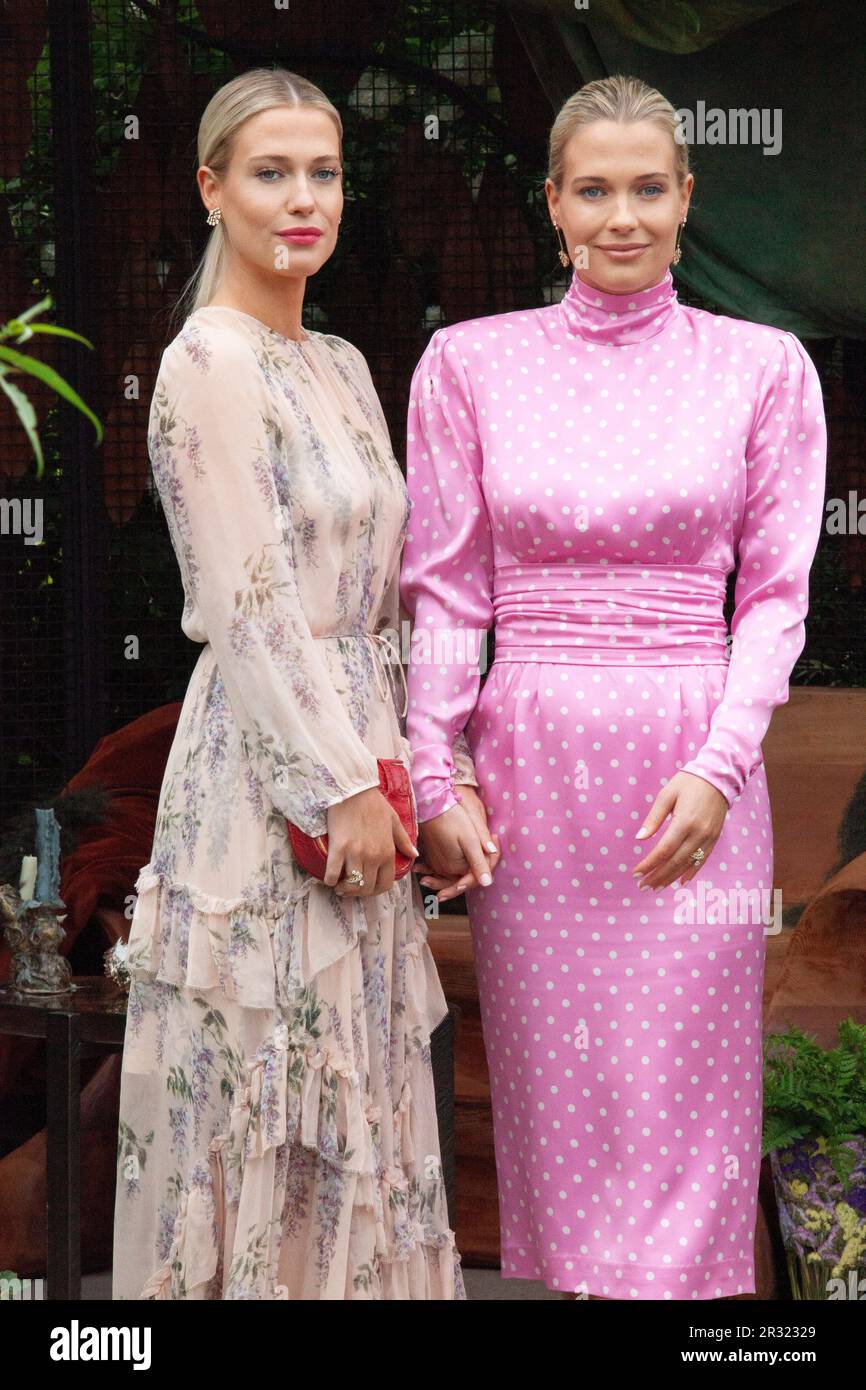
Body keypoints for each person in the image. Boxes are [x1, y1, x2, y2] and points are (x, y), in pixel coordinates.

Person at [400, 73, 827, 1301]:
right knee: (558, 1120)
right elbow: (445, 592)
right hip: (528, 785)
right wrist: (436, 772)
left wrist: (719, 765)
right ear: (550, 205)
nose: (620, 215)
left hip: (690, 780)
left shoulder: (762, 367)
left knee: (686, 1102)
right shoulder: (466, 363)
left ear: (687, 199)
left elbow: (773, 601)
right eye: (593, 189)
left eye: (647, 187)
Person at [112, 67, 477, 1300]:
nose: (303, 198)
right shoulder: (204, 360)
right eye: (271, 172)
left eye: (323, 171)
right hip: (265, 789)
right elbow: (247, 601)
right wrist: (333, 786)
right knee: (265, 1104)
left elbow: (384, 601)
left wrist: (417, 778)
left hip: (361, 765)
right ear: (210, 189)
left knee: (355, 1113)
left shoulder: (339, 361)